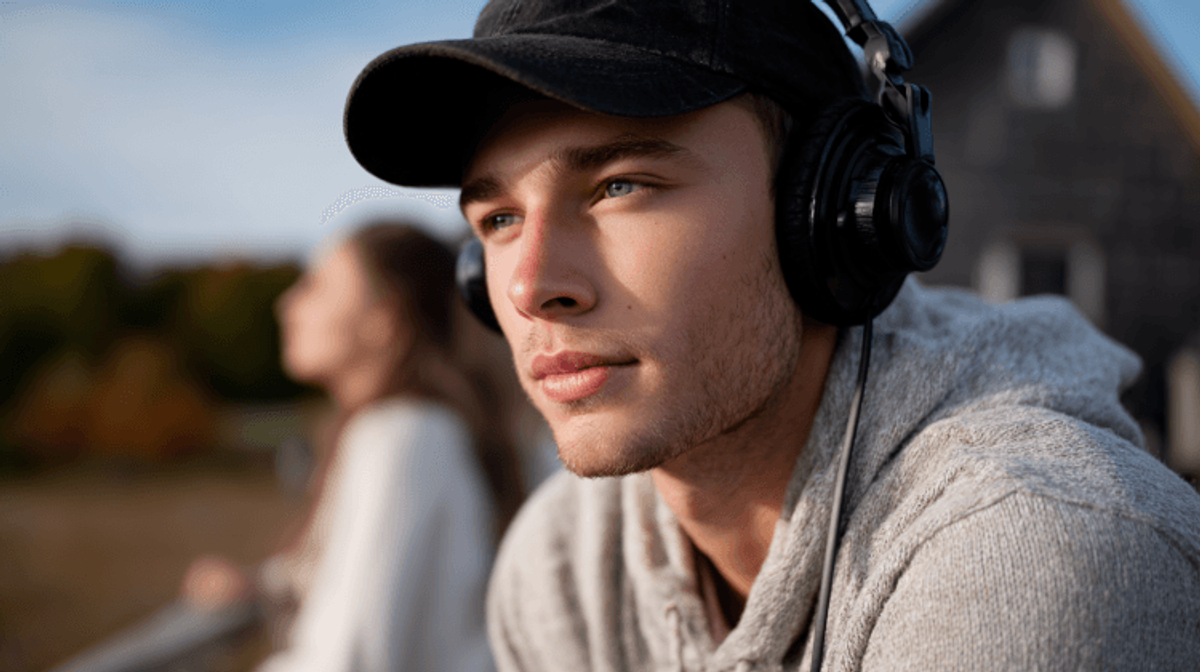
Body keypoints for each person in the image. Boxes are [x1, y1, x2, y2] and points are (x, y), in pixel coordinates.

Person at [340, 1, 1200, 670]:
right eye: (496, 217)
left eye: (621, 186)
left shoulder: (1030, 557)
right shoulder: (563, 566)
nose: (529, 287)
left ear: (829, 215)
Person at [182, 221, 523, 672]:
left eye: (315, 286)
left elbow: (347, 660)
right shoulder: (425, 430)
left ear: (383, 320)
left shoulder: (404, 437)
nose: (287, 305)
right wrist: (266, 586)